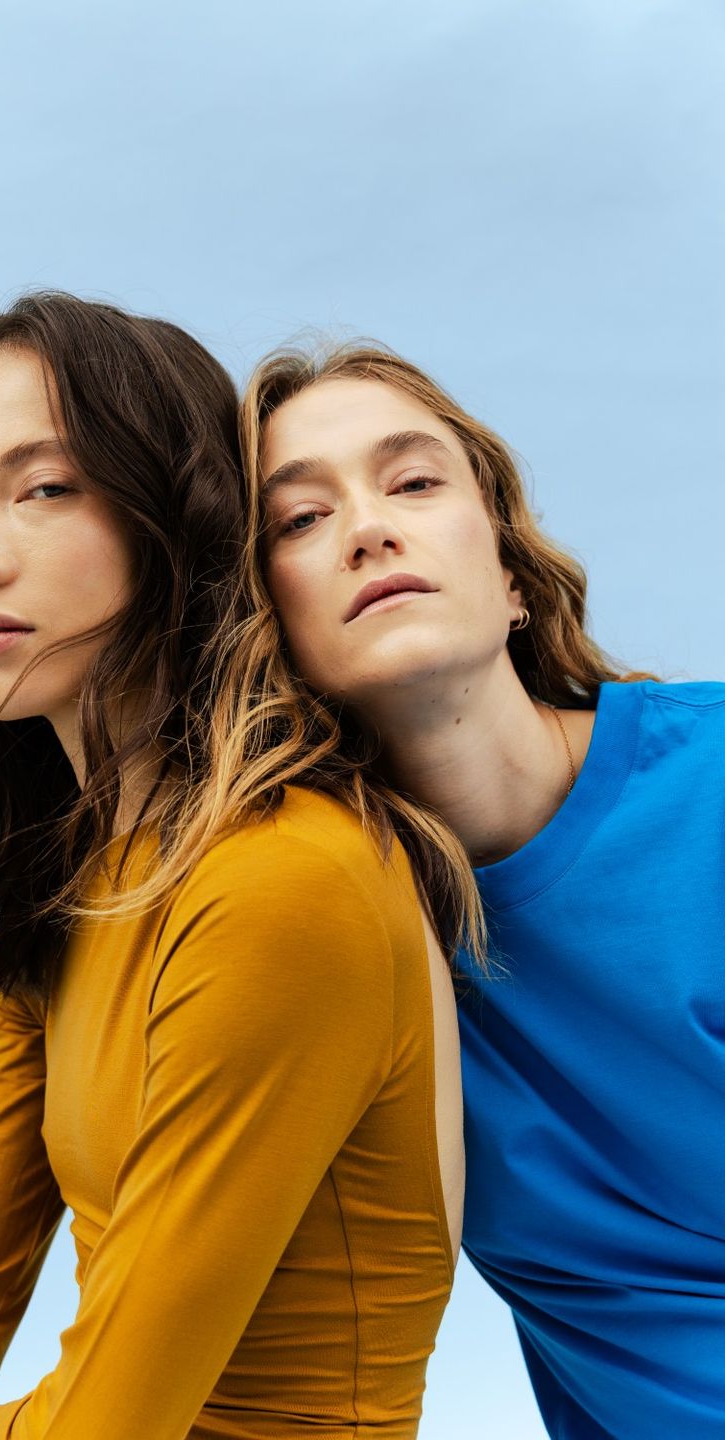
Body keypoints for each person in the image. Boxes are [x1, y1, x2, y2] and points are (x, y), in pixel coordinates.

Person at [0, 294, 468, 1440]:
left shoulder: (284, 882)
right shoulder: (78, 876)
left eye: (44, 489)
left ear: (175, 513)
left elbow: (110, 1422)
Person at [240, 343, 725, 1440]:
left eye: (413, 481)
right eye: (301, 519)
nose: (369, 528)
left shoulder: (710, 783)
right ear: (268, 628)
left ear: (511, 574)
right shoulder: (331, 933)